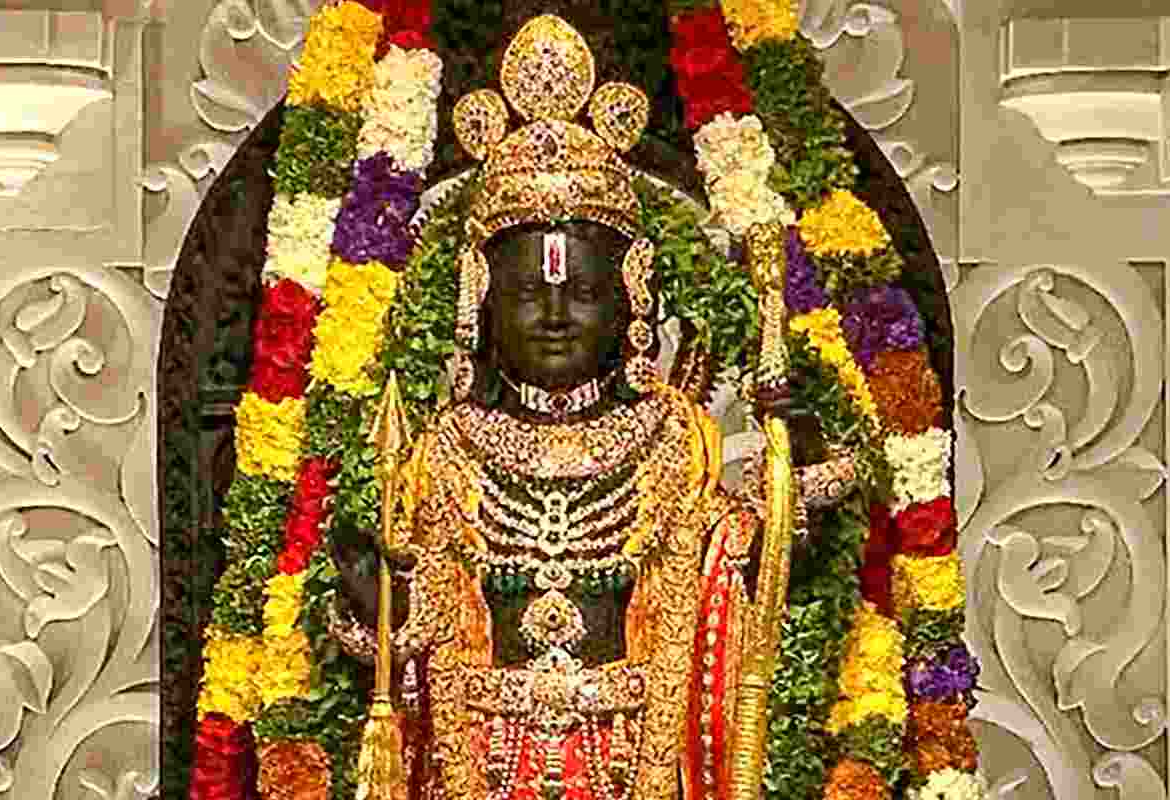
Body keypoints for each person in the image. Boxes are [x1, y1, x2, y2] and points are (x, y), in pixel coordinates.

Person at [329, 16, 857, 800]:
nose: (552, 315)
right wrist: (380, 599)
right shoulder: (442, 451)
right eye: (525, 292)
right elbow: (416, 632)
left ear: (632, 293)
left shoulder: (675, 443)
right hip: (477, 768)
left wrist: (797, 451)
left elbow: (748, 568)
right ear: (479, 299)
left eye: (580, 291)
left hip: (633, 768)